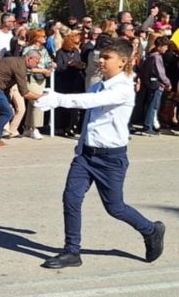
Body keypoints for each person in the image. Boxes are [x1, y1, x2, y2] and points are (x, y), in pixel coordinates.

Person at [29, 39, 166, 269]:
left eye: (107, 58)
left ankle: (151, 230)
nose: (101, 61)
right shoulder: (98, 85)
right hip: (86, 155)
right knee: (71, 198)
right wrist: (81, 145)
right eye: (100, 57)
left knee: (115, 207)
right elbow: (90, 119)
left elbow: (91, 102)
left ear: (123, 62)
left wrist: (58, 99)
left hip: (111, 158)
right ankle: (72, 251)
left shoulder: (122, 89)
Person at [138, 37, 172, 136]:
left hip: (150, 83)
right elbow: (160, 72)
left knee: (151, 105)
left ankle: (148, 125)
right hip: (156, 84)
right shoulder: (156, 57)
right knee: (153, 106)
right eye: (165, 46)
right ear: (159, 47)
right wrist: (167, 83)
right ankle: (148, 127)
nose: (166, 49)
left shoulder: (150, 56)